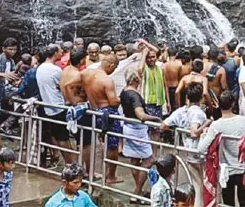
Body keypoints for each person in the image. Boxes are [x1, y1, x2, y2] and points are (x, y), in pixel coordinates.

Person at [161, 83, 211, 207]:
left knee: (196, 182)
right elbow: (194, 132)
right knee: (200, 184)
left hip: (188, 151)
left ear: (187, 97)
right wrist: (207, 124)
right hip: (199, 152)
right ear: (201, 98)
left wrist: (177, 128)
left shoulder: (181, 111)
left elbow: (163, 125)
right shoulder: (198, 113)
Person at [198, 91, 245, 207]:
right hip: (243, 168)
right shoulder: (243, 120)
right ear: (233, 104)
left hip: (226, 170)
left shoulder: (217, 125)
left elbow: (201, 149)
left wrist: (203, 135)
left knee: (228, 203)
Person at [121, 66, 162, 203]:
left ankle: (138, 190)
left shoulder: (124, 91)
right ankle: (137, 191)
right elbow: (141, 115)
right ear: (135, 79)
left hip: (128, 127)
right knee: (149, 160)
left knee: (134, 160)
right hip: (137, 130)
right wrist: (156, 119)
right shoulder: (134, 95)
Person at [82, 54, 122, 184]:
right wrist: (120, 99)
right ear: (111, 65)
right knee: (113, 146)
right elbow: (113, 102)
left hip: (94, 111)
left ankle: (92, 170)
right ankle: (111, 176)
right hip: (107, 113)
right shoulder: (107, 80)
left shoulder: (87, 74)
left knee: (100, 142)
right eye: (114, 68)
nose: (114, 70)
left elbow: (71, 84)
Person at [35, 44, 75, 165]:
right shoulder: (55, 70)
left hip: (48, 107)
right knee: (63, 138)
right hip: (58, 107)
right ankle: (70, 164)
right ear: (55, 53)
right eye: (60, 51)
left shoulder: (40, 68)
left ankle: (66, 162)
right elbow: (63, 86)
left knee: (57, 136)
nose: (62, 53)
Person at [206, 47, 228, 118]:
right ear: (217, 57)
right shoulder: (220, 70)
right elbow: (224, 87)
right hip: (215, 100)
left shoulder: (201, 66)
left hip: (202, 99)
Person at [162, 47, 183, 113]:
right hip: (176, 87)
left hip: (167, 89)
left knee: (169, 107)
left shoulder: (164, 65)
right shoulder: (179, 64)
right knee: (177, 108)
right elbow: (180, 77)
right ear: (176, 54)